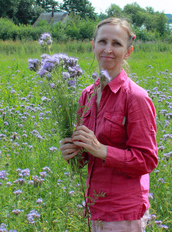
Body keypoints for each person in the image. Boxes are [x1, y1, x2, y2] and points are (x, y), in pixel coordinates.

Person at [60, 18, 158, 232]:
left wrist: (101, 150)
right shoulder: (86, 95)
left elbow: (147, 160)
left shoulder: (136, 97)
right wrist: (73, 153)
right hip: (95, 207)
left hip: (123, 212)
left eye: (117, 43)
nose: (108, 49)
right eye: (103, 41)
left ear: (128, 51)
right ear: (93, 45)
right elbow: (84, 158)